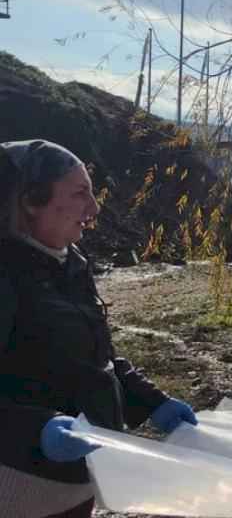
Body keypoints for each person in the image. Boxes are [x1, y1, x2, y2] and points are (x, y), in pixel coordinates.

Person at [0, 140, 199, 518]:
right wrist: (34, 429)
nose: (93, 209)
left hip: (75, 481)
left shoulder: (69, 264)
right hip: (18, 487)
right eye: (79, 194)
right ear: (30, 201)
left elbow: (93, 357)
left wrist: (151, 401)